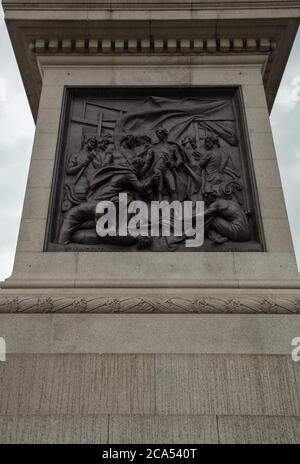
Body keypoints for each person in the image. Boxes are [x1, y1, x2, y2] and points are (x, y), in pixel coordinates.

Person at [58, 157, 158, 244]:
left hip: (95, 202)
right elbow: (141, 188)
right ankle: (63, 241)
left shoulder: (120, 170)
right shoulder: (129, 174)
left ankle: (62, 241)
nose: (142, 170)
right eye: (141, 166)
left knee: (74, 218)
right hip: (101, 206)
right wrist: (152, 180)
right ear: (137, 165)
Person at [142, 127, 183, 201]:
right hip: (157, 169)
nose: (158, 134)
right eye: (157, 133)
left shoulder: (173, 147)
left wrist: (173, 164)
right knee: (159, 189)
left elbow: (180, 159)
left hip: (168, 169)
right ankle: (159, 209)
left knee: (173, 188)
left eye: (160, 132)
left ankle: (176, 210)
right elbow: (147, 163)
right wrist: (140, 171)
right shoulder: (153, 148)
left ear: (165, 133)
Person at [65, 137, 98, 201]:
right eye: (92, 141)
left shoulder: (95, 157)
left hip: (94, 188)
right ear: (86, 142)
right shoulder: (76, 155)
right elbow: (68, 171)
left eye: (95, 143)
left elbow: (100, 169)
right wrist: (81, 165)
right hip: (81, 187)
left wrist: (93, 159)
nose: (93, 144)